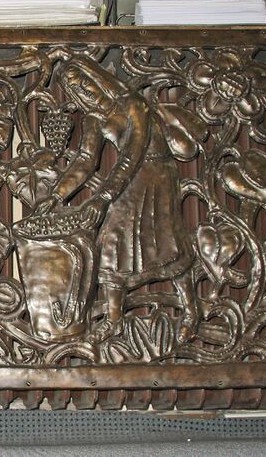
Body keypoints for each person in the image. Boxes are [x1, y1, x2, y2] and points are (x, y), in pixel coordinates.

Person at [35, 56, 198, 344]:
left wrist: (104, 197)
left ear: (96, 78)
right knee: (110, 244)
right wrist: (57, 195)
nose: (82, 90)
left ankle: (191, 311)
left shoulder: (133, 104)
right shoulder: (94, 119)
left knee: (169, 243)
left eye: (83, 81)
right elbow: (85, 161)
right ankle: (114, 319)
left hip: (155, 174)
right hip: (126, 181)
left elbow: (133, 153)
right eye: (74, 88)